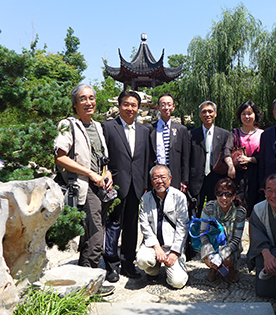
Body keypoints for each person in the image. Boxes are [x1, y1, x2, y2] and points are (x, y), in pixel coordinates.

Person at [54, 84, 116, 296]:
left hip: (100, 185)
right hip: (83, 185)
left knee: (91, 235)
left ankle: (81, 281)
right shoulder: (67, 124)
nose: (89, 102)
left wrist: (107, 174)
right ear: (75, 104)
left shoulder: (98, 126)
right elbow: (60, 157)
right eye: (83, 99)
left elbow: (101, 157)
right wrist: (90, 174)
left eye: (91, 98)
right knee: (97, 236)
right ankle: (89, 285)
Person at [102, 90, 150, 282]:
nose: (130, 108)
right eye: (126, 104)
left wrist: (145, 184)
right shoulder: (107, 127)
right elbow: (102, 156)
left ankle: (128, 264)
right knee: (114, 224)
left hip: (137, 185)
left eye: (134, 105)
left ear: (138, 108)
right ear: (119, 106)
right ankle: (111, 265)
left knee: (131, 226)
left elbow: (147, 159)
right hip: (115, 185)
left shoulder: (145, 131)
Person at [136, 165, 189, 289]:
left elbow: (183, 226)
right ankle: (153, 270)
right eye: (155, 178)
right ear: (151, 180)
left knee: (178, 282)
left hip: (172, 245)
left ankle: (176, 265)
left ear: (170, 178)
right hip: (154, 245)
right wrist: (156, 246)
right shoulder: (145, 199)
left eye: (163, 177)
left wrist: (175, 252)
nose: (159, 181)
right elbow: (144, 225)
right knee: (142, 260)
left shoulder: (179, 197)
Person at [188, 101, 230, 217]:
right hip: (196, 179)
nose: (207, 114)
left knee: (215, 211)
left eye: (210, 111)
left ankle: (214, 234)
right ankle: (195, 234)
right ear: (200, 114)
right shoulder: (191, 134)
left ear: (215, 114)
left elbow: (227, 156)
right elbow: (186, 159)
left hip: (216, 178)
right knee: (195, 211)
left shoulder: (224, 134)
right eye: (204, 112)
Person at [200, 178, 246, 283]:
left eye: (228, 194)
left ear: (234, 196)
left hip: (230, 247)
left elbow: (236, 239)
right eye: (219, 193)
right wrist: (211, 253)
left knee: (226, 260)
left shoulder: (240, 212)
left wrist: (221, 256)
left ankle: (232, 267)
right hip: (212, 245)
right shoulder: (209, 208)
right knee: (209, 260)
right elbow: (202, 233)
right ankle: (213, 267)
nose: (223, 197)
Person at [223, 101, 263, 217]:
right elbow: (227, 150)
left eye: (250, 113)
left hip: (256, 176)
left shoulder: (262, 134)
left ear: (255, 115)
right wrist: (230, 166)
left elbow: (265, 155)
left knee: (255, 211)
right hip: (238, 176)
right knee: (236, 210)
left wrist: (249, 159)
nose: (247, 117)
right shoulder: (234, 133)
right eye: (243, 114)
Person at [147, 93, 190, 192]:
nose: (166, 107)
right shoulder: (149, 129)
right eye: (163, 104)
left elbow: (185, 157)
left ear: (173, 107)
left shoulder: (181, 130)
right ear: (158, 107)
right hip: (155, 175)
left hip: (174, 175)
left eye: (169, 104)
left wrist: (184, 180)